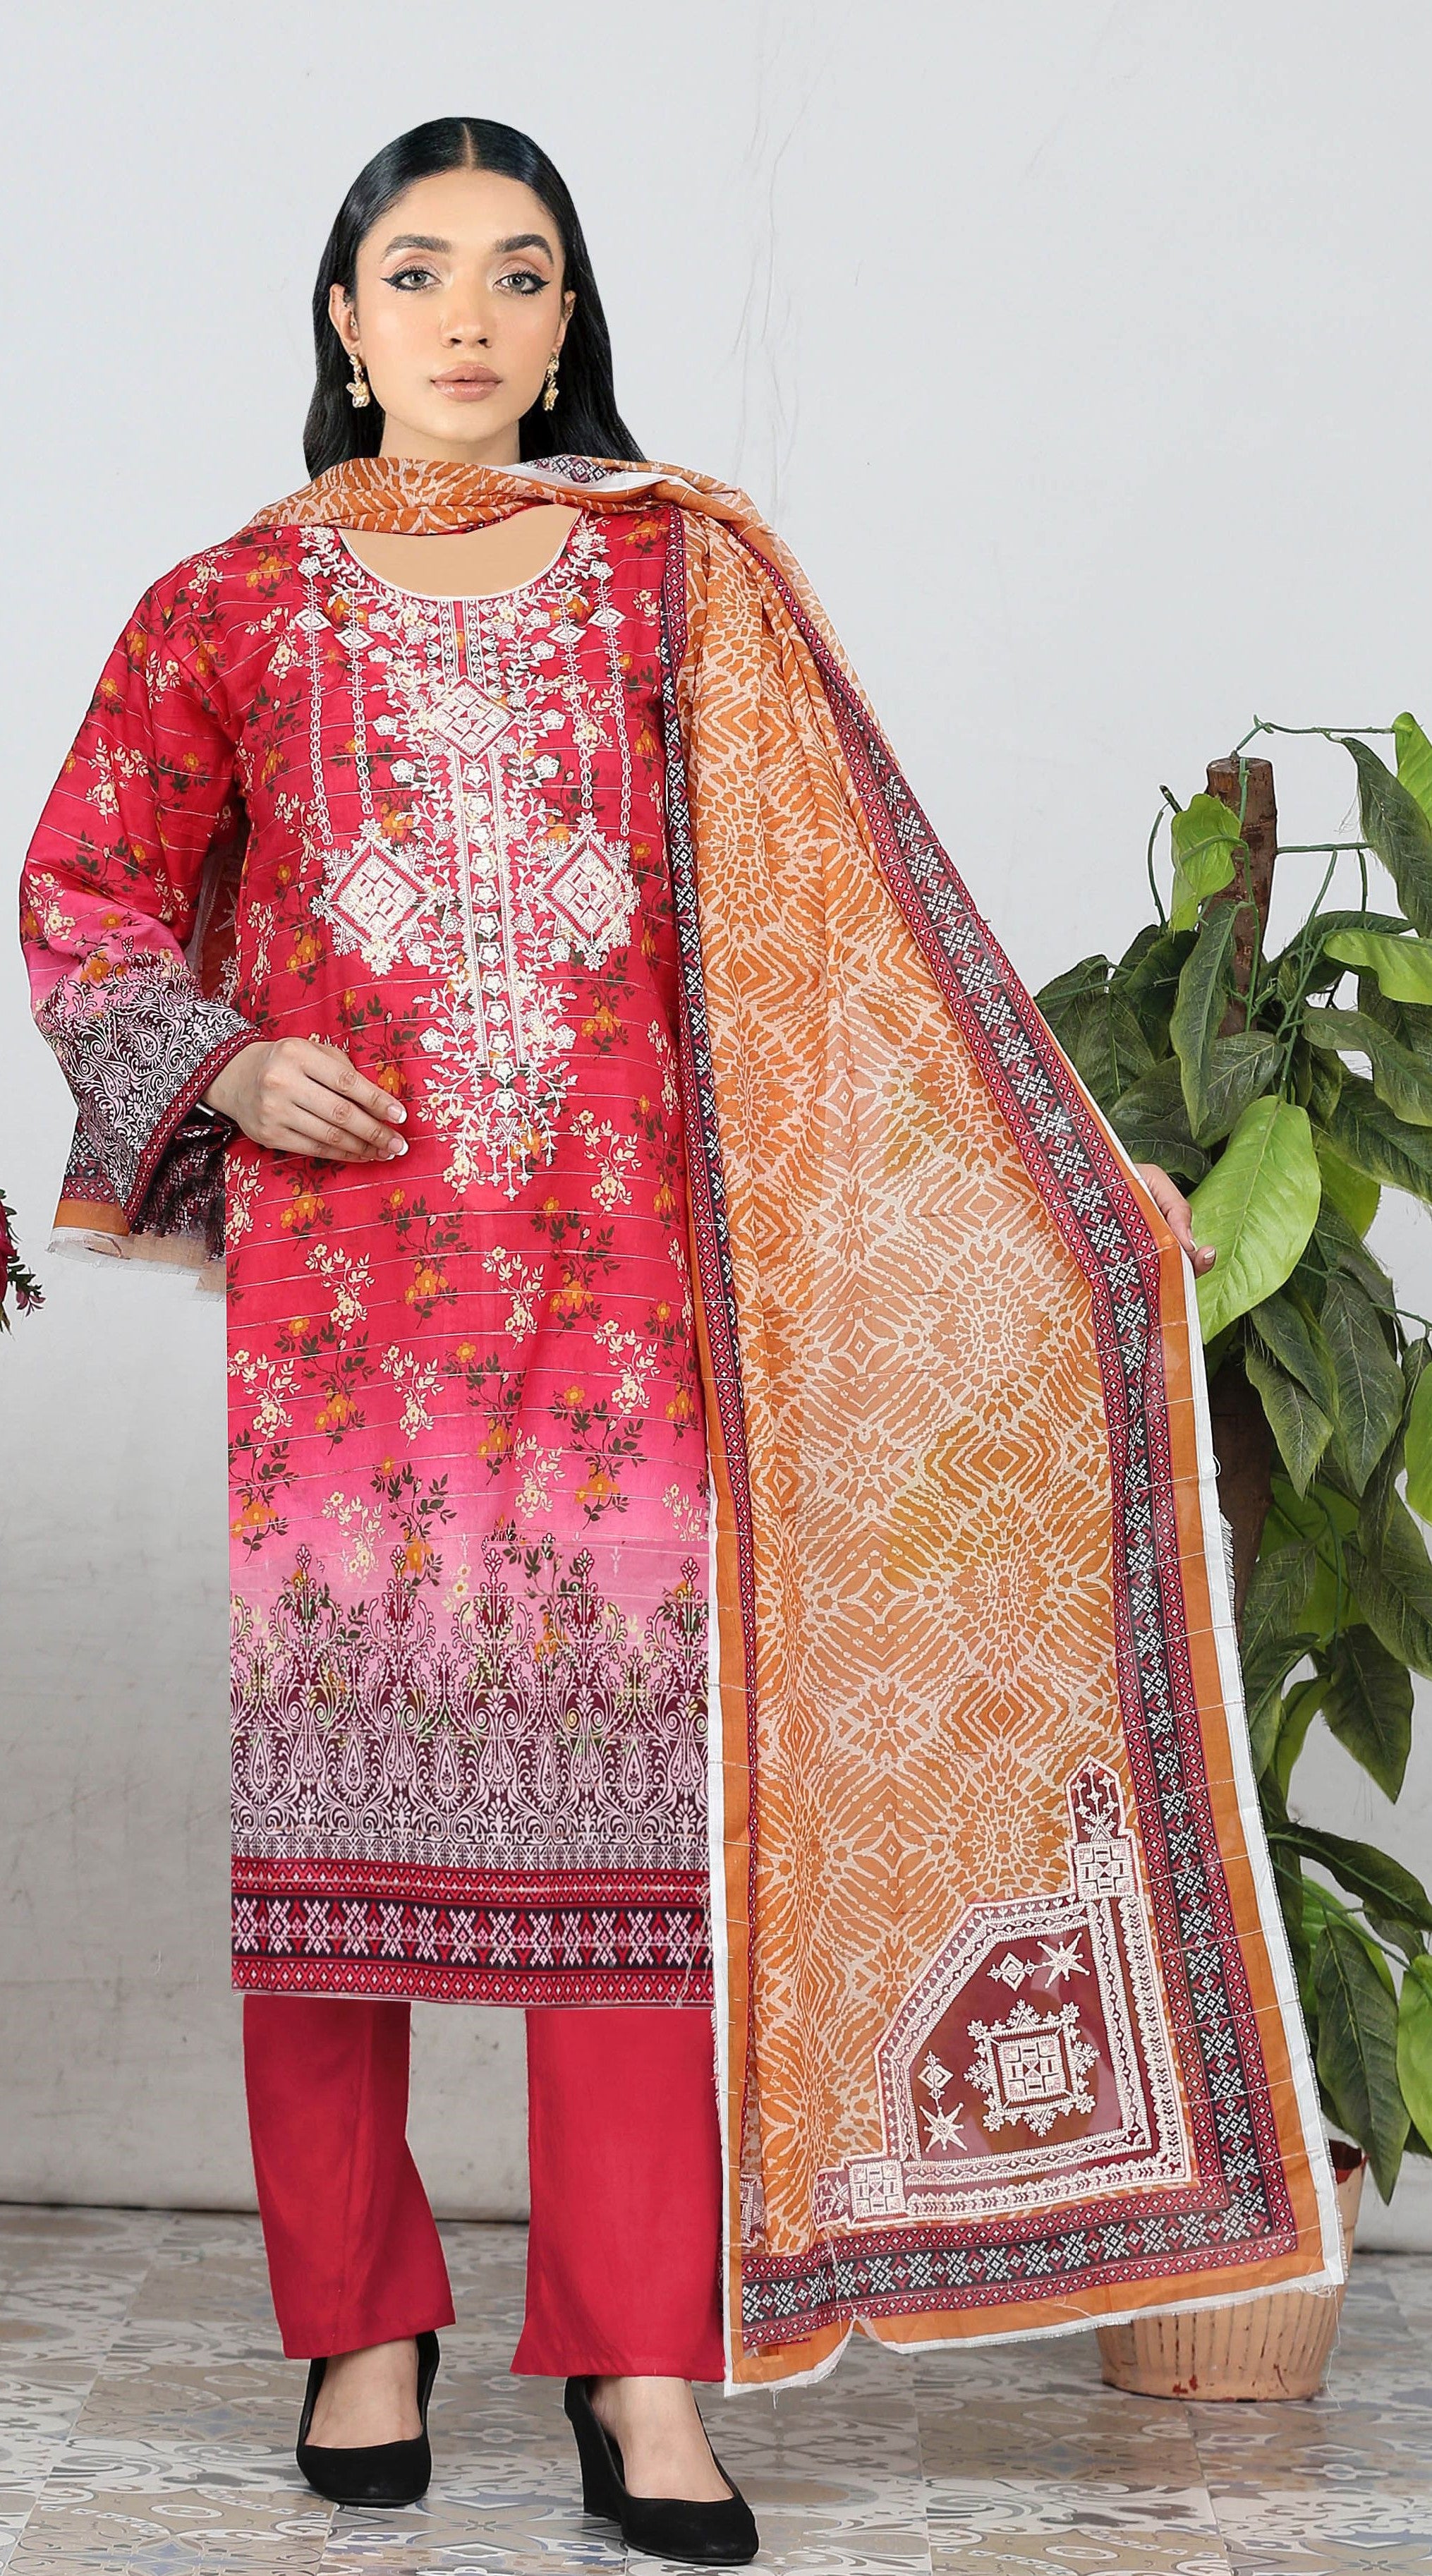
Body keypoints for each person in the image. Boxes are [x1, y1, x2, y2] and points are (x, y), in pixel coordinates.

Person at [23, 114, 1341, 2575]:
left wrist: (1049, 1186)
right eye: (416, 275)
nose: (468, 321)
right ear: (340, 317)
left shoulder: (677, 581)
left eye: (520, 278)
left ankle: (645, 2362)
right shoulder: (228, 602)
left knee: (638, 1846)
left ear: (563, 318)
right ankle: (361, 2322)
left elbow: (847, 915)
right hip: (355, 1314)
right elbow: (88, 888)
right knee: (343, 1835)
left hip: (634, 1295)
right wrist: (214, 1061)